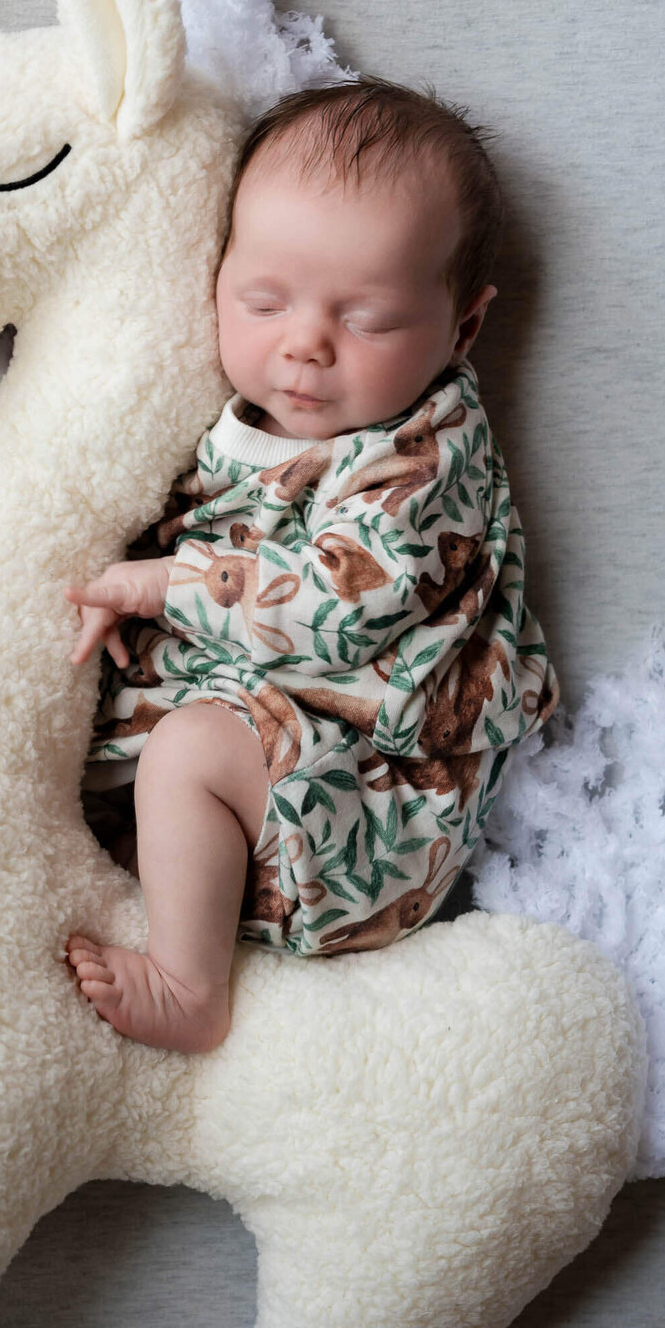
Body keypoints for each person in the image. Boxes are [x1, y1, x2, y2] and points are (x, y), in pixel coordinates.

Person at [59, 77, 559, 1054]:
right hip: (276, 776)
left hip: (373, 811)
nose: (304, 347)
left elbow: (335, 606)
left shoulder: (426, 453)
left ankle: (190, 987)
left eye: (364, 319)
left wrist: (166, 586)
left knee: (193, 751)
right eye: (264, 301)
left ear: (462, 328)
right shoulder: (230, 414)